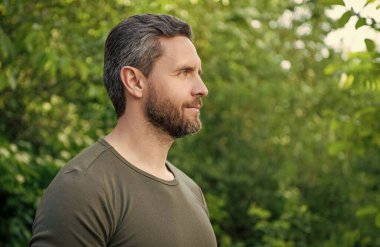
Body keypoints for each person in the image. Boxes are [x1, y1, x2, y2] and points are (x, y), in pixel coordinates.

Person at [30, 14, 217, 246]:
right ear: (135, 82)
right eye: (184, 72)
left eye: (198, 73)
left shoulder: (192, 191)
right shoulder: (82, 188)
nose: (202, 88)